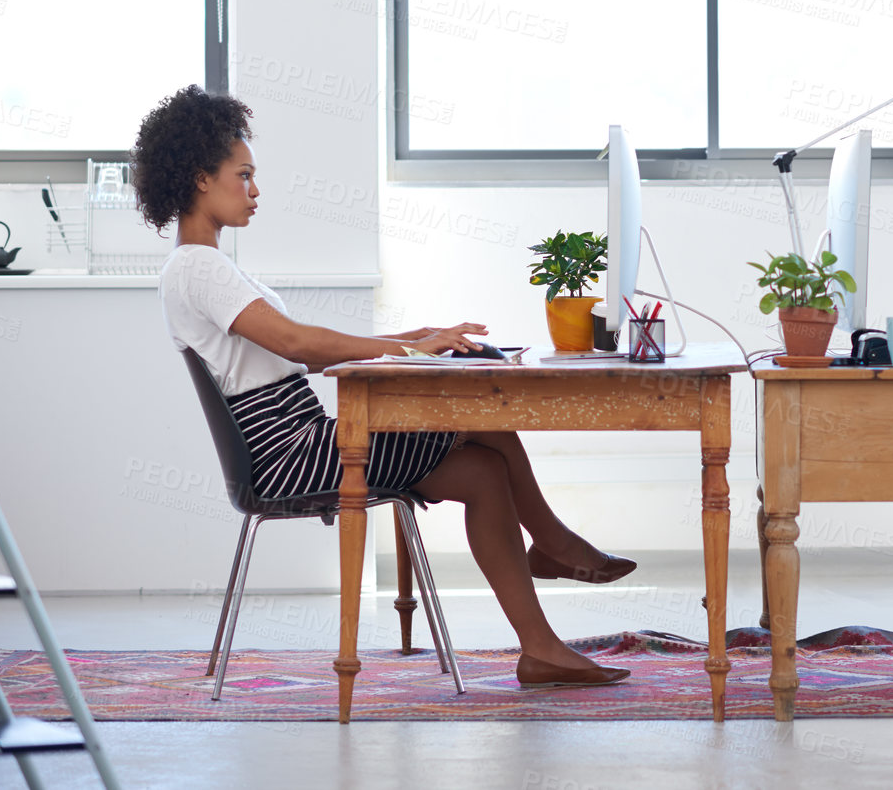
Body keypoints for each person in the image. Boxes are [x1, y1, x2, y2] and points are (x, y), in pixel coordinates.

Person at [136, 85, 631, 689]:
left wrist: (412, 336)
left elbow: (299, 351)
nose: (256, 190)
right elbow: (295, 345)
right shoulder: (197, 267)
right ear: (199, 180)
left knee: (483, 470)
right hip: (289, 454)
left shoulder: (209, 267)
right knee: (483, 417)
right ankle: (553, 544)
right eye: (244, 175)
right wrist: (408, 349)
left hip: (301, 439)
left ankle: (542, 644)